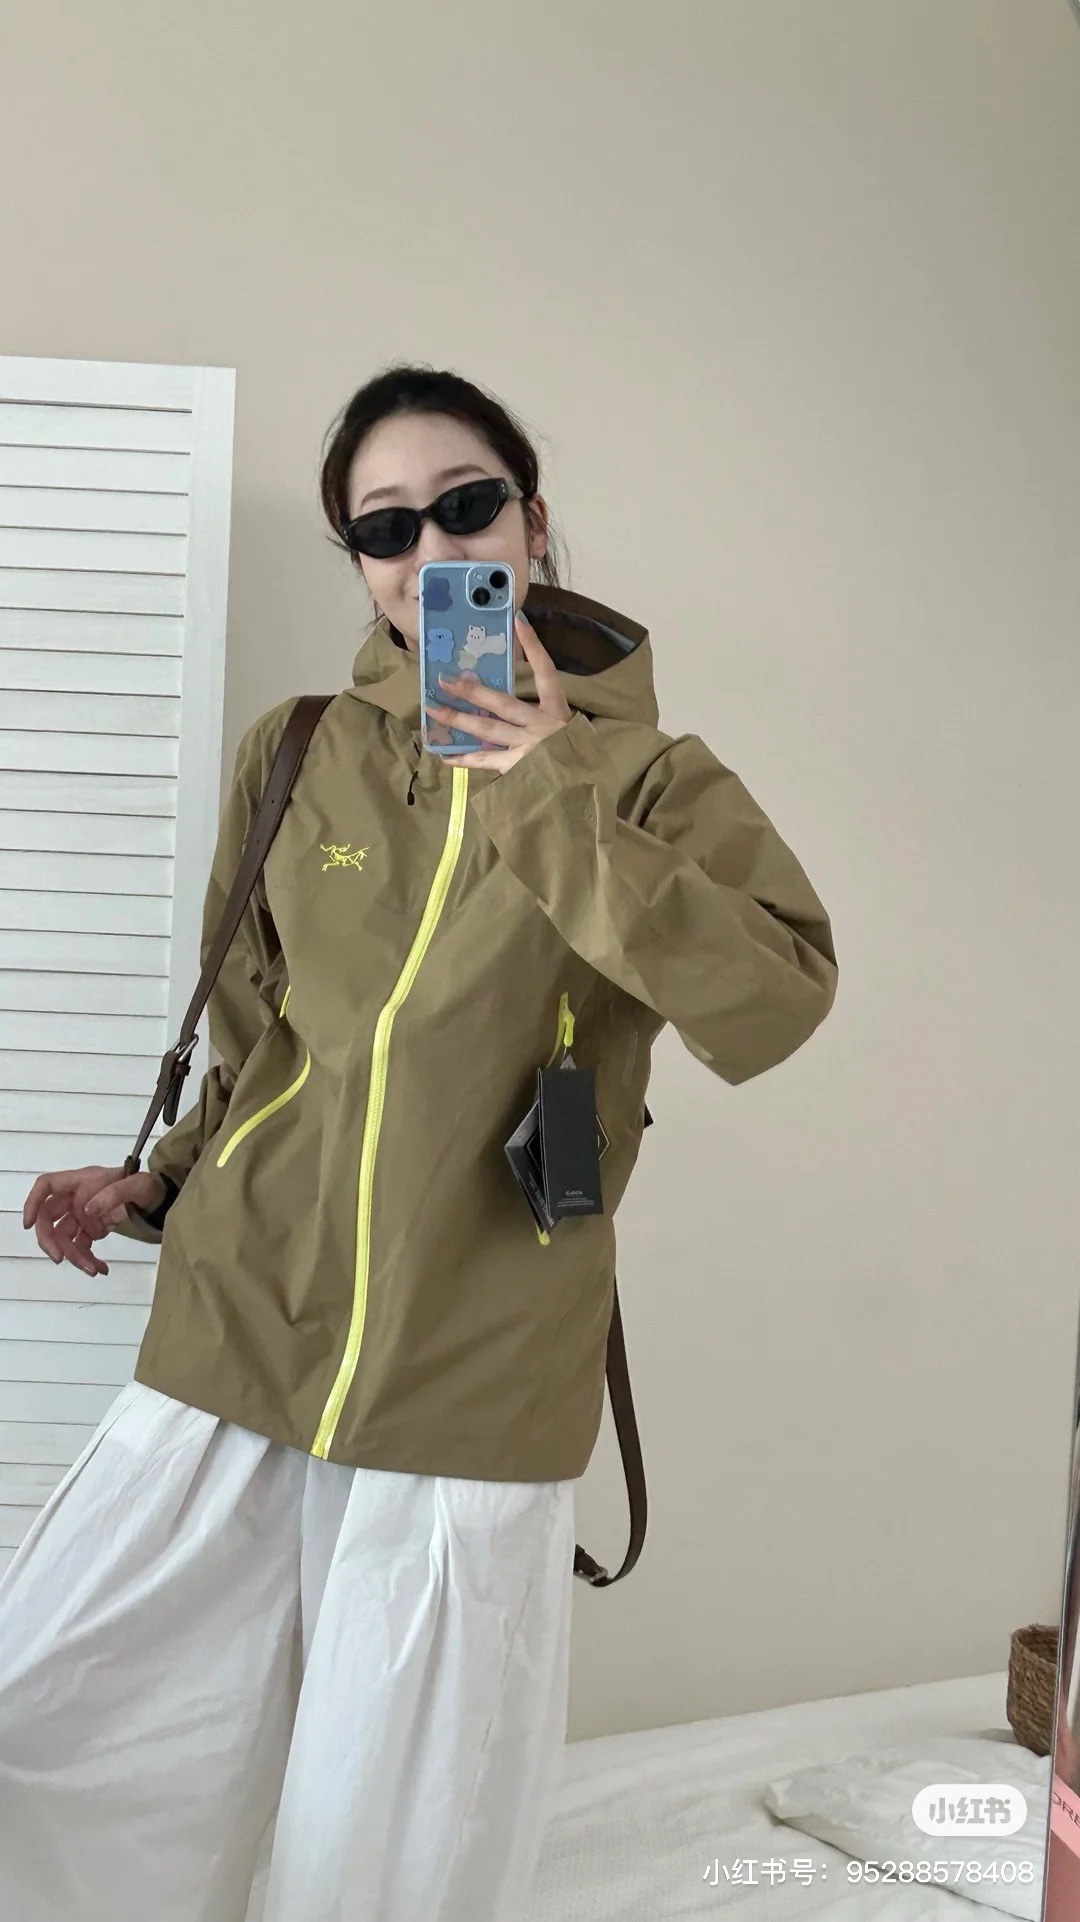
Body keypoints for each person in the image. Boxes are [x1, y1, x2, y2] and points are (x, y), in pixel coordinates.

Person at [3, 364, 839, 1922]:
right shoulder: (299, 748)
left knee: (389, 1855)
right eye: (384, 527)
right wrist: (158, 1178)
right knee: (56, 1746)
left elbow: (776, 997)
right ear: (360, 558)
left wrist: (545, 787)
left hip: (475, 1377)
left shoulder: (653, 780)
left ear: (531, 517)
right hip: (239, 1332)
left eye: (465, 505)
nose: (429, 549)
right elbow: (261, 1033)